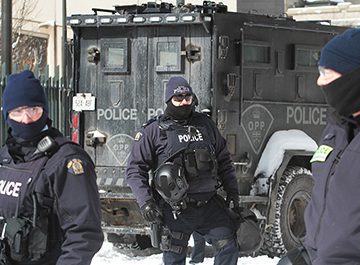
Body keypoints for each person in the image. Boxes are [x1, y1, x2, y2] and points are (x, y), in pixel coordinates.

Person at [282, 29, 360, 265]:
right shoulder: (338, 127)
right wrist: (308, 255)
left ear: (356, 76)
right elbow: (329, 204)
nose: (319, 81)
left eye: (327, 73)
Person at [126, 76, 239, 265]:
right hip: (176, 210)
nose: (184, 102)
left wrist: (232, 190)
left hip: (209, 206)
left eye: (187, 97)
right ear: (168, 100)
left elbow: (224, 160)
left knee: (228, 244)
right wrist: (146, 202)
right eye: (178, 99)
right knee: (174, 255)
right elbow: (135, 170)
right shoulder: (153, 131)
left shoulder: (205, 124)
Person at [0, 70, 104, 265]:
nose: (26, 119)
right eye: (17, 112)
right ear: (7, 114)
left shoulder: (66, 160)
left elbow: (84, 234)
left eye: (33, 110)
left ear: (45, 110)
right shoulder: (5, 156)